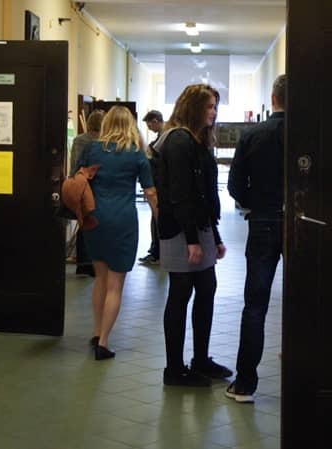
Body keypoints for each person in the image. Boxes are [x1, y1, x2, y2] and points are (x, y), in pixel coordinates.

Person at [155, 84, 232, 386]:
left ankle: (200, 359)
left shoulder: (195, 140)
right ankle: (174, 369)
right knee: (180, 293)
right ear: (194, 107)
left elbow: (203, 194)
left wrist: (215, 236)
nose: (213, 112)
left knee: (206, 288)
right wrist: (191, 240)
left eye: (215, 106)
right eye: (209, 106)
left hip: (199, 228)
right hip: (181, 230)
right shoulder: (178, 140)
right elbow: (181, 194)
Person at [76, 106, 157, 360]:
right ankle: (104, 342)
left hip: (94, 219)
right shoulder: (136, 154)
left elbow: (77, 178)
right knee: (115, 285)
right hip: (123, 219)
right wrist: (160, 219)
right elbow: (150, 192)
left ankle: (96, 332)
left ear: (107, 123)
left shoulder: (91, 149)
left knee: (100, 278)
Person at [225, 74, 286, 403]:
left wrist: (257, 204)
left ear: (272, 99)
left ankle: (245, 383)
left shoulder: (252, 135)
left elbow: (235, 186)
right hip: (301, 224)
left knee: (255, 304)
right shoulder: (310, 133)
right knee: (304, 301)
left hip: (262, 222)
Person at [70, 109, 104, 277]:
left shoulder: (79, 140)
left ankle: (83, 264)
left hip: (82, 185)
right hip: (98, 188)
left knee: (83, 224)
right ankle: (96, 262)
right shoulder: (104, 143)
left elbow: (75, 165)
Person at [139, 110, 164, 265]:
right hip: (158, 183)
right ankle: (155, 250)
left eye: (149, 125)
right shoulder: (160, 138)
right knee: (155, 219)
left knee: (157, 219)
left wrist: (149, 154)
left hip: (159, 184)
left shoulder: (164, 138)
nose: (149, 128)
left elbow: (160, 161)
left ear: (155, 121)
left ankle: (157, 253)